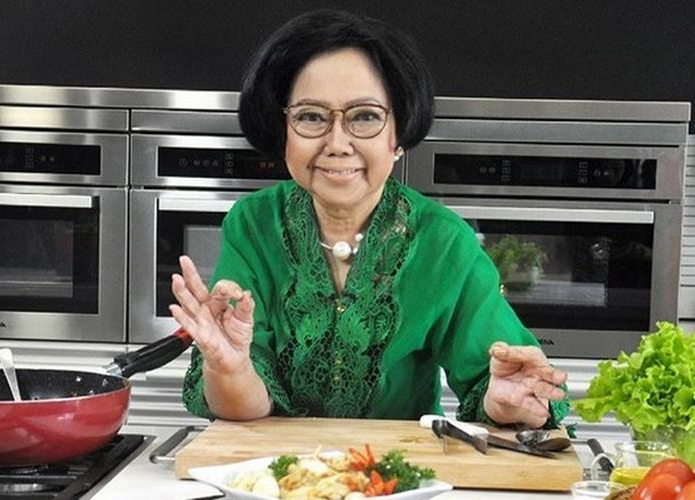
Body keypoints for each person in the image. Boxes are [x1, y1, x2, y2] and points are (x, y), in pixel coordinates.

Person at [171, 9, 569, 428]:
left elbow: (498, 379)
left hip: (399, 468)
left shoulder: (443, 241)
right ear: (283, 128)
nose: (337, 142)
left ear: (399, 133)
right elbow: (242, 409)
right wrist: (230, 369)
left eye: (365, 116)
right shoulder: (254, 224)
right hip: (272, 468)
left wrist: (506, 402)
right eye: (310, 116)